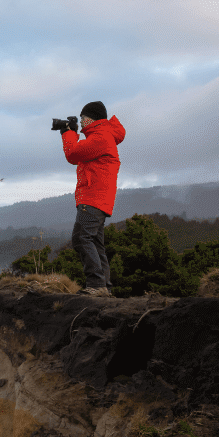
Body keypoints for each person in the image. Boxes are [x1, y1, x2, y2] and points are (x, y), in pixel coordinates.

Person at [61, 101, 126, 296]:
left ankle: (96, 285)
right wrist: (71, 132)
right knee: (95, 243)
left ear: (91, 119)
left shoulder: (100, 137)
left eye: (82, 119)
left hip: (93, 198)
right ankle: (103, 287)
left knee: (81, 238)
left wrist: (68, 133)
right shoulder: (102, 136)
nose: (80, 123)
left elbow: (73, 154)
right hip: (97, 198)